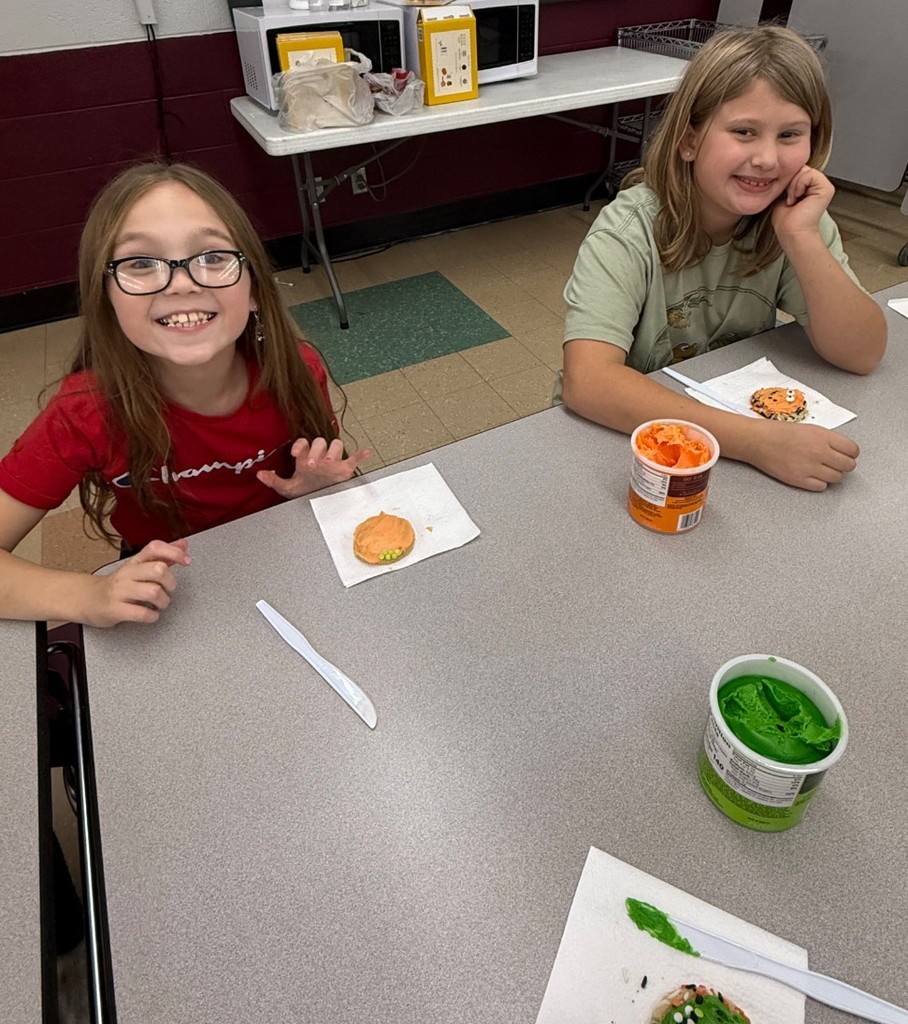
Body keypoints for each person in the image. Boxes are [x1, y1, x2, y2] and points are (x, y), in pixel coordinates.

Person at [0, 162, 369, 627]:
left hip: (281, 555)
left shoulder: (296, 370)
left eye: (213, 257)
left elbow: (320, 477)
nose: (182, 283)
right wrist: (89, 594)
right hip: (167, 591)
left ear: (254, 288)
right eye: (140, 263)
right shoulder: (84, 413)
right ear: (106, 298)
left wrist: (316, 489)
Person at [561, 25, 887, 492]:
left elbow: (863, 353)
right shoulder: (629, 230)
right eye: (744, 132)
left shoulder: (797, 220)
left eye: (790, 135)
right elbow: (589, 382)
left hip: (722, 423)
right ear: (689, 140)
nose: (767, 159)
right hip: (621, 436)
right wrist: (756, 442)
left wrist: (801, 237)